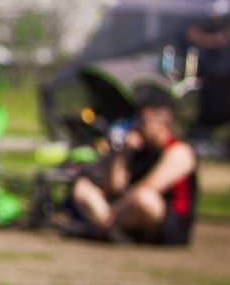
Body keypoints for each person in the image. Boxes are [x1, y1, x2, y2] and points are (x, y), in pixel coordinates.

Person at [68, 89, 199, 245]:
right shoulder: (138, 149)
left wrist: (111, 214)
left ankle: (102, 227)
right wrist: (123, 154)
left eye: (144, 120)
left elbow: (148, 188)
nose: (138, 125)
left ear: (163, 121)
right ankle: (110, 229)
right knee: (83, 187)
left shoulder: (179, 151)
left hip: (164, 224)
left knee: (144, 197)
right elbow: (115, 187)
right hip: (124, 212)